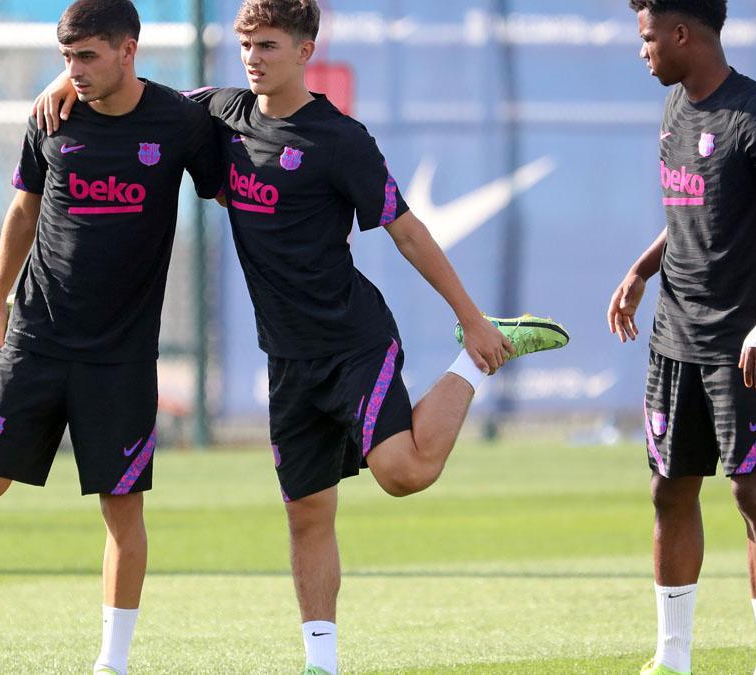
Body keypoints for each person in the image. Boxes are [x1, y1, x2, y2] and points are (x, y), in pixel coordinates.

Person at [34, 1, 569, 672]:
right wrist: (61, 83)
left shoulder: (340, 139)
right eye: (246, 44)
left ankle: (478, 358)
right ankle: (322, 662)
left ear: (305, 50)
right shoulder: (220, 113)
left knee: (403, 472)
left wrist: (470, 316)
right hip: (286, 359)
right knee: (308, 515)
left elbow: (406, 229)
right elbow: (135, 92)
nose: (253, 57)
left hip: (352, 340)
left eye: (268, 45)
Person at [0, 1, 221, 672]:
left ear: (128, 51)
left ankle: (113, 661)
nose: (73, 71)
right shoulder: (52, 115)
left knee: (121, 512)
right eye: (64, 58)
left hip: (121, 355)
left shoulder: (179, 120)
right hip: (39, 336)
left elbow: (227, 172)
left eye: (86, 57)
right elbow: (24, 208)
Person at [607, 2, 756, 674]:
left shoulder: (755, 116)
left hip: (740, 341)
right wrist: (641, 270)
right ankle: (672, 655)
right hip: (673, 335)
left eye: (648, 37)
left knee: (752, 493)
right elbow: (696, 209)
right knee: (670, 488)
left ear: (683, 34)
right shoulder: (674, 111)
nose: (644, 51)